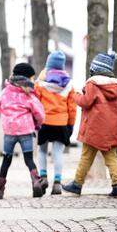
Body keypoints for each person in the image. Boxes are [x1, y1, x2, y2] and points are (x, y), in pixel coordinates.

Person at [63, 53, 117, 197]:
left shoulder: (93, 84)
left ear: (95, 69)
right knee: (111, 157)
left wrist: (76, 95)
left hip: (94, 128)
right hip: (110, 129)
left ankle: (77, 184)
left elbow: (86, 101)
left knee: (86, 157)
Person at [0, 63, 46, 199]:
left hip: (9, 131)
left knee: (6, 160)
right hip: (25, 130)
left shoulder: (5, 92)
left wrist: (8, 118)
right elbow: (39, 113)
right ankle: (36, 182)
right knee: (29, 159)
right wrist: (37, 124)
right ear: (27, 78)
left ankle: (0, 190)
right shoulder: (28, 94)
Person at [34, 51, 77, 195]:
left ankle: (43, 177)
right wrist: (71, 124)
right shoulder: (69, 84)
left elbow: (36, 103)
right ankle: (57, 183)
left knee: (42, 150)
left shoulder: (40, 83)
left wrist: (35, 122)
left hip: (44, 122)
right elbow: (72, 107)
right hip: (61, 122)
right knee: (58, 153)